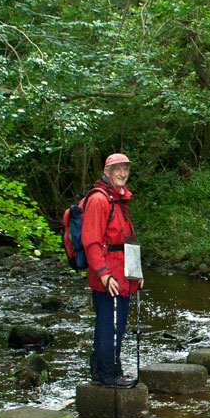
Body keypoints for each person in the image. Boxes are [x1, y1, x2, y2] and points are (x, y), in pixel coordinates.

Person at [82, 153, 143, 387]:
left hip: (123, 276)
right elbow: (91, 241)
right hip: (108, 278)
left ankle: (102, 369)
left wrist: (137, 274)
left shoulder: (119, 200)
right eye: (117, 169)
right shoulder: (99, 200)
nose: (122, 173)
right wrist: (104, 273)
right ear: (107, 172)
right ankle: (109, 375)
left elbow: (127, 241)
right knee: (110, 326)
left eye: (125, 169)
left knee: (112, 325)